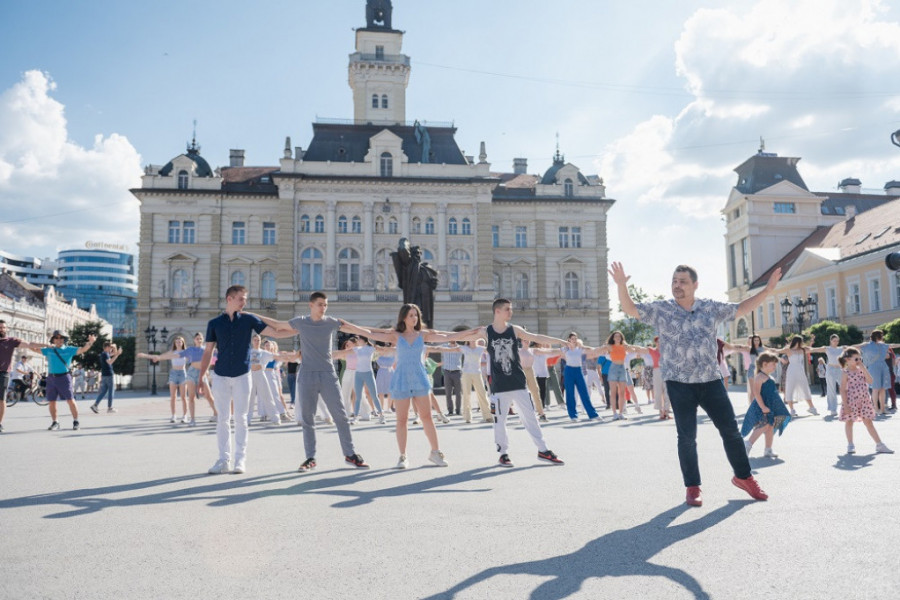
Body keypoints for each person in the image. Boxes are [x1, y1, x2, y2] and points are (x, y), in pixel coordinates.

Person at [610, 261, 777, 506]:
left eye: (683, 282)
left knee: (730, 431)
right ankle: (692, 487)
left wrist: (767, 291)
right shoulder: (662, 309)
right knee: (686, 437)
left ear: (695, 285)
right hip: (679, 382)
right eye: (674, 281)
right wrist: (622, 286)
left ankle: (744, 477)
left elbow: (741, 308)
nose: (677, 286)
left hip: (711, 380)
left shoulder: (710, 308)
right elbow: (631, 309)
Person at [247, 291, 369, 472]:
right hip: (307, 375)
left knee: (341, 416)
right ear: (311, 305)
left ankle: (350, 454)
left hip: (328, 374)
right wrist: (251, 315)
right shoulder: (301, 322)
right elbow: (278, 326)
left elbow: (351, 328)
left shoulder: (331, 322)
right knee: (307, 418)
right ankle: (310, 458)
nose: (323, 308)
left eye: (325, 305)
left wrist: (371, 333)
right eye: (320, 304)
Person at [449, 298, 566, 468]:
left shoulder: (514, 330)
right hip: (499, 386)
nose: (511, 312)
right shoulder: (486, 332)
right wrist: (435, 338)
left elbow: (535, 336)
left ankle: (543, 450)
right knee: (500, 420)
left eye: (510, 309)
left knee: (530, 418)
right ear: (497, 311)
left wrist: (559, 341)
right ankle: (503, 453)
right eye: (507, 309)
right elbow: (461, 336)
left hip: (518, 382)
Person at [340, 304, 455, 469]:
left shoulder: (423, 334)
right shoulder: (396, 336)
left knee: (427, 417)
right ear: (403, 318)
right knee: (402, 419)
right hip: (401, 378)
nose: (414, 318)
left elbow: (445, 336)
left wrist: (474, 334)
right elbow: (370, 333)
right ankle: (403, 456)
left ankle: (435, 452)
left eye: (416, 315)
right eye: (410, 315)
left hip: (419, 378)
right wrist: (349, 326)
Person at [197, 285, 290, 475]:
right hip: (220, 375)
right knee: (222, 419)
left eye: (245, 298)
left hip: (242, 375)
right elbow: (208, 352)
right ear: (229, 299)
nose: (244, 302)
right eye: (241, 298)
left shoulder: (249, 320)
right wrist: (201, 377)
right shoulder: (214, 323)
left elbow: (276, 332)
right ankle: (223, 460)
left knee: (241, 418)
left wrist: (304, 329)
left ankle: (240, 460)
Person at [34, 330, 96, 431]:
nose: (59, 340)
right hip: (51, 378)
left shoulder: (69, 349)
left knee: (70, 400)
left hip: (64, 377)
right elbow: (34, 348)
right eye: (56, 338)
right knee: (52, 401)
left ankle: (76, 421)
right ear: (53, 340)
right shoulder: (49, 350)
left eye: (61, 338)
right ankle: (55, 422)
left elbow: (83, 349)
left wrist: (90, 342)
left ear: (64, 339)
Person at [838, 347, 893, 455]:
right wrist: (845, 405)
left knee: (868, 422)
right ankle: (850, 444)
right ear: (847, 359)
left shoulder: (861, 370)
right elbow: (843, 390)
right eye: (856, 359)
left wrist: (864, 369)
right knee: (849, 422)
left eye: (860, 358)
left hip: (864, 400)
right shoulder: (845, 372)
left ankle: (879, 444)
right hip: (851, 401)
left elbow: (870, 381)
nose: (859, 361)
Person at [742, 352, 791, 458]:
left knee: (770, 427)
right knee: (763, 426)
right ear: (764, 364)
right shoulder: (759, 377)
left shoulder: (767, 376)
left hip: (769, 407)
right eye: (773, 364)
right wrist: (763, 407)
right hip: (762, 407)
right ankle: (747, 444)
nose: (775, 366)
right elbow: (756, 393)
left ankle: (768, 449)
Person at [772, 336, 819, 417]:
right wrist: (764, 348)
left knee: (805, 388)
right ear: (797, 342)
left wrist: (823, 347)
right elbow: (776, 350)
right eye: (801, 341)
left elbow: (814, 349)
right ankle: (792, 410)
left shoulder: (802, 350)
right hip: (791, 371)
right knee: (789, 389)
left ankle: (812, 408)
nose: (802, 343)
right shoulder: (788, 350)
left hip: (800, 371)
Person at [857, 330, 900, 417]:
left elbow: (892, 345)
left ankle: (882, 409)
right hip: (875, 368)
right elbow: (856, 347)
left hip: (883, 368)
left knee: (883, 389)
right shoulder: (867, 345)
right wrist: (844, 348)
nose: (882, 337)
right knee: (876, 389)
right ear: (877, 337)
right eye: (881, 335)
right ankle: (876, 409)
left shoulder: (881, 345)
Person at [809, 334, 845, 417]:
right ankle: (833, 409)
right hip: (830, 369)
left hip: (840, 369)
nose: (836, 342)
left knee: (844, 387)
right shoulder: (827, 348)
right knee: (831, 389)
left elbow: (853, 348)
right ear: (830, 341)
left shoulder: (841, 348)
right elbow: (815, 350)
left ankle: (846, 406)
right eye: (834, 341)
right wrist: (807, 346)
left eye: (837, 341)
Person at [460, 340, 492, 423]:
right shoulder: (464, 348)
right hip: (466, 373)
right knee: (467, 394)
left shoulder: (480, 348)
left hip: (477, 373)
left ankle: (488, 416)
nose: (473, 340)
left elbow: (493, 350)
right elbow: (449, 349)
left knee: (482, 394)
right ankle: (467, 417)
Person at [90, 341, 121, 413]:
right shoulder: (105, 354)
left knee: (103, 392)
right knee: (111, 391)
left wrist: (115, 347)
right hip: (109, 375)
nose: (111, 349)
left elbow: (115, 354)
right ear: (107, 347)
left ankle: (95, 405)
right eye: (110, 347)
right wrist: (117, 354)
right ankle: (110, 408)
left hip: (104, 375)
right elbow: (110, 362)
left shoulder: (103, 354)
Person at [440, 341, 463, 417]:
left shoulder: (460, 348)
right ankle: (450, 411)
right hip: (447, 372)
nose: (453, 339)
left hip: (457, 372)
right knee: (448, 393)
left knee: (458, 393)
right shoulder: (444, 346)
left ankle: (458, 410)